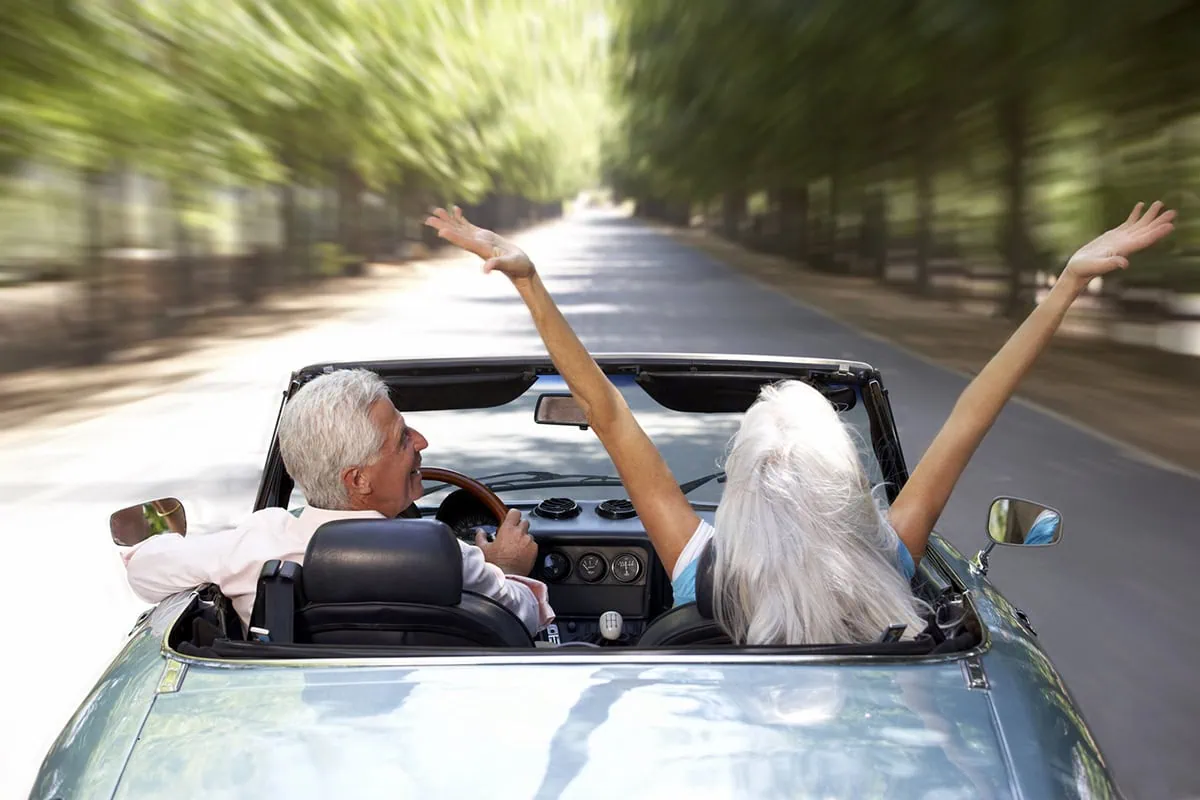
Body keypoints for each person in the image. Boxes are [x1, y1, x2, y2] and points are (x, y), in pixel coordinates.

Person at [426, 200, 1175, 646]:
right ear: (848, 488)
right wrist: (1067, 284)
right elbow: (975, 409)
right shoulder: (888, 556)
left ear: (746, 486)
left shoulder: (704, 572)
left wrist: (528, 280)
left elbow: (611, 416)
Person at [119, 368, 555, 635]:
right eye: (402, 438)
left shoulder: (255, 545)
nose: (422, 441)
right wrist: (509, 568)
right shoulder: (447, 555)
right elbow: (525, 616)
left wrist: (161, 535)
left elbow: (143, 568)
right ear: (358, 479)